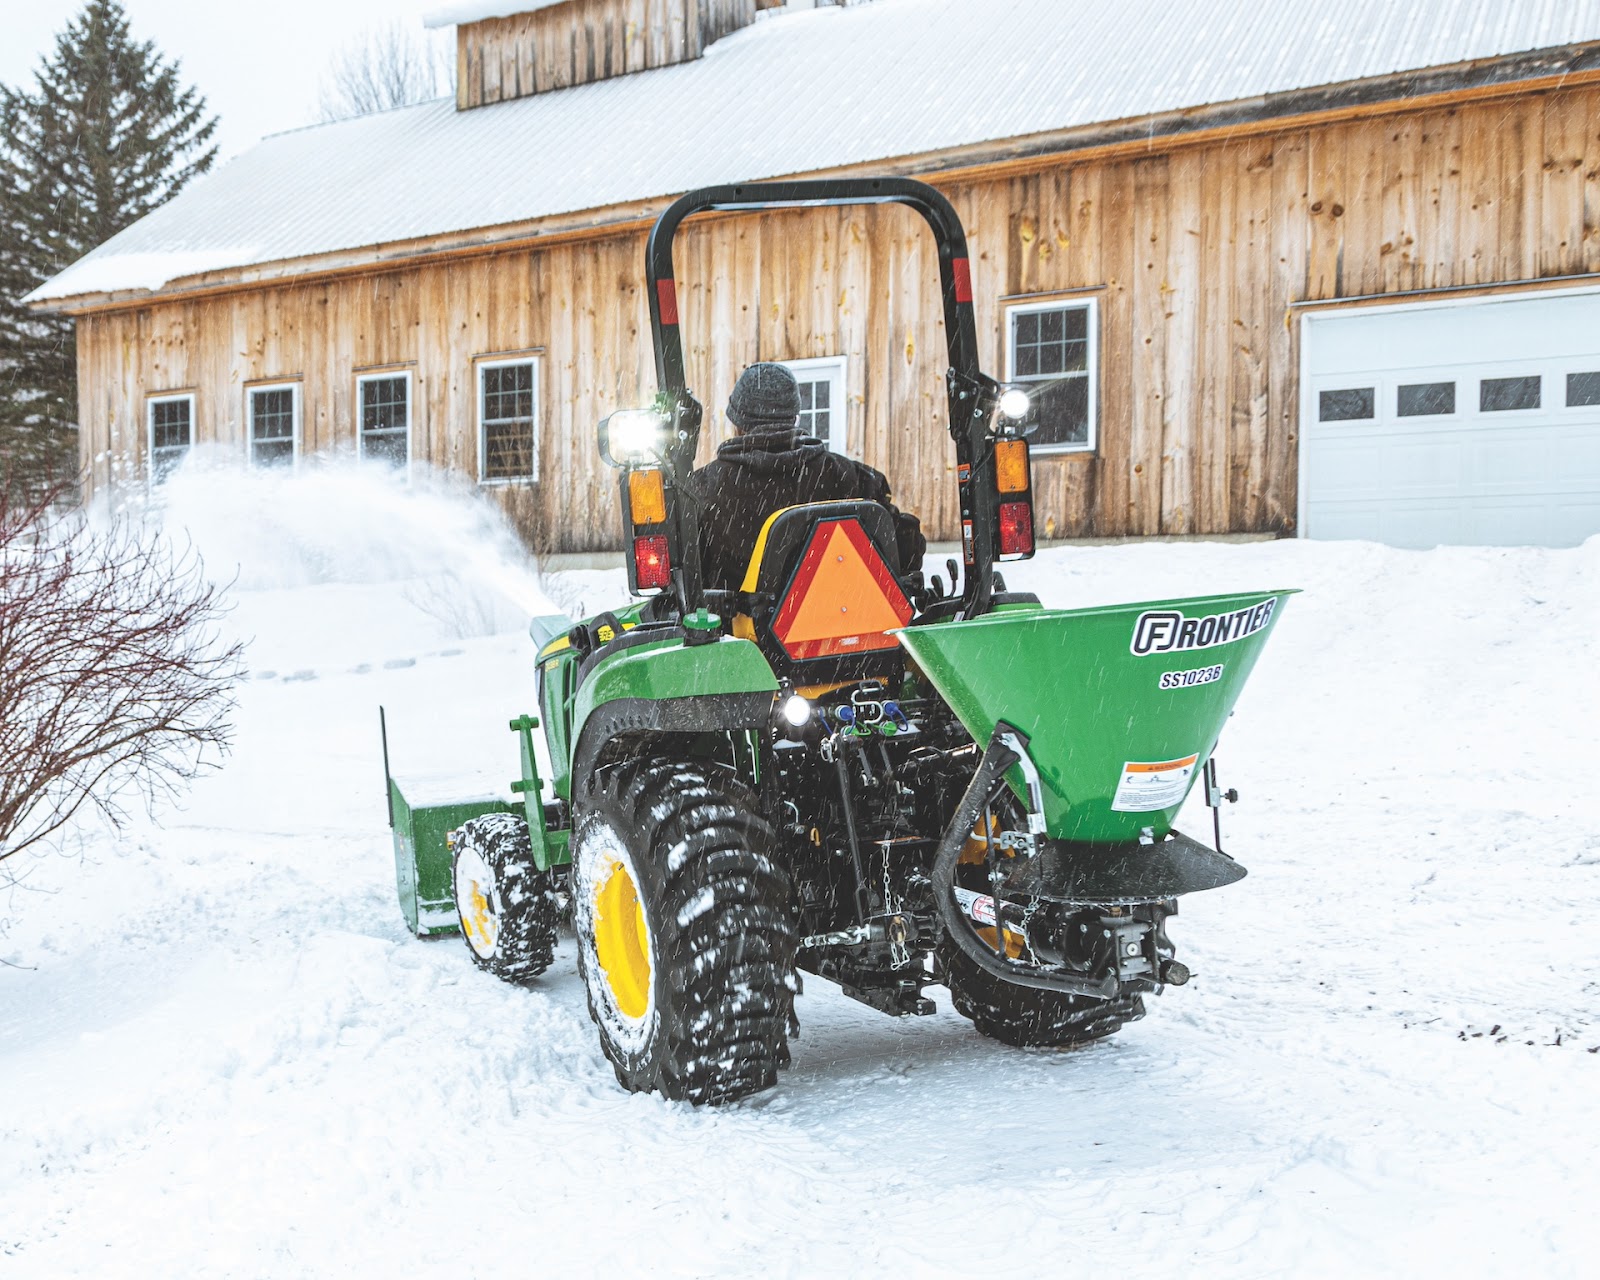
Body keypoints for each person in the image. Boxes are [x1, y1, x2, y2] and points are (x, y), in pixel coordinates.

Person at [686, 362, 925, 595]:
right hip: (839, 616)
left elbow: (689, 579)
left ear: (736, 424)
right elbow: (905, 554)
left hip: (740, 622)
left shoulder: (702, 488)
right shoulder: (850, 477)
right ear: (795, 418)